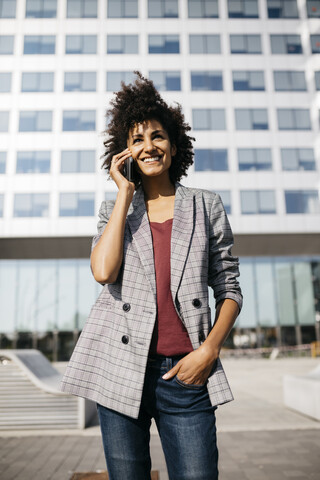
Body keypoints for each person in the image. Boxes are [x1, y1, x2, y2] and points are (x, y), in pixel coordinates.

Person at [61, 72, 242, 480]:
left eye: (157, 136)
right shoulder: (116, 211)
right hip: (121, 367)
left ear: (174, 146)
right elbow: (103, 272)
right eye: (137, 139)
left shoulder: (204, 205)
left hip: (187, 371)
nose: (149, 146)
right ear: (124, 152)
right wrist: (125, 193)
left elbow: (229, 289)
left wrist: (209, 350)